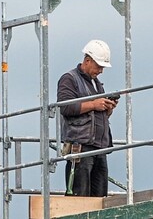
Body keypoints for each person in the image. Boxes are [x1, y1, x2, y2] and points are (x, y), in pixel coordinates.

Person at [57, 39, 119, 196]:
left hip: (98, 147)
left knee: (100, 198)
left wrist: (107, 109)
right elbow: (65, 107)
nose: (101, 71)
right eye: (99, 66)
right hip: (81, 147)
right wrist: (94, 104)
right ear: (87, 60)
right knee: (80, 196)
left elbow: (96, 113)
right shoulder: (69, 79)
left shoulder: (97, 84)